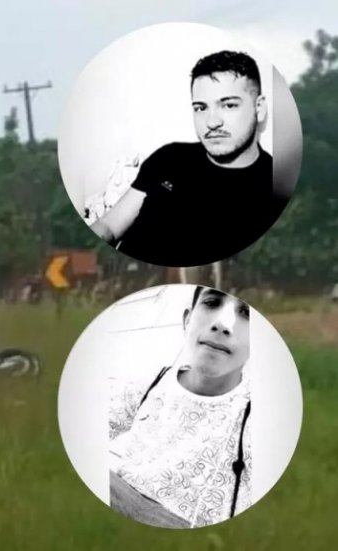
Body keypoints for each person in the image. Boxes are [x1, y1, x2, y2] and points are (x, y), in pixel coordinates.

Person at [90, 50, 286, 267]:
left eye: (229, 105)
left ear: (259, 108)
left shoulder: (276, 185)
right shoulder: (170, 157)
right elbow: (109, 226)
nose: (212, 122)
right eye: (201, 108)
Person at [108, 286, 253, 528]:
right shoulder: (149, 384)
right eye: (212, 303)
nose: (222, 325)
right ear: (187, 319)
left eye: (245, 313)